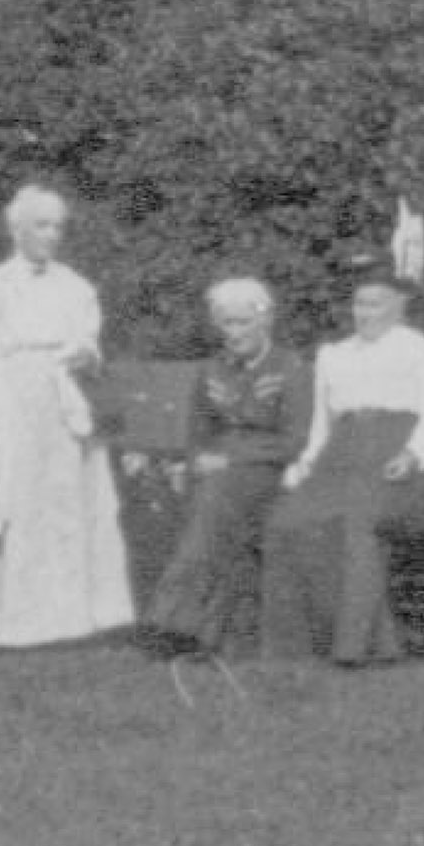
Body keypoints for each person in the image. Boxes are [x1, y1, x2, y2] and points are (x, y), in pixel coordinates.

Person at [0, 184, 135, 648]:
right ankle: (18, 625)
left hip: (64, 402)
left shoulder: (77, 287)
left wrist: (84, 355)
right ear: (16, 230)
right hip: (12, 404)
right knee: (17, 506)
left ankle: (71, 620)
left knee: (68, 506)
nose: (53, 235)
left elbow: (91, 346)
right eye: (42, 224)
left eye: (58, 225)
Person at [260, 262, 424, 665]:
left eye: (375, 304)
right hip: (340, 454)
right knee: (287, 521)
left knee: (356, 523)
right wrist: (304, 465)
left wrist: (413, 455)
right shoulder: (334, 355)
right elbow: (321, 426)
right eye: (359, 304)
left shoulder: (422, 349)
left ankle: (352, 648)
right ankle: (307, 644)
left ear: (399, 306)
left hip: (396, 455)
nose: (364, 313)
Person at [143, 276, 313, 657]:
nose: (233, 333)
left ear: (265, 322)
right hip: (216, 473)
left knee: (213, 503)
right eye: (226, 324)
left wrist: (230, 460)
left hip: (266, 470)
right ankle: (201, 628)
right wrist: (196, 460)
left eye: (242, 323)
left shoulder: (290, 368)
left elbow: (294, 440)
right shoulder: (212, 370)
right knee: (210, 504)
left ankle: (172, 621)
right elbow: (197, 433)